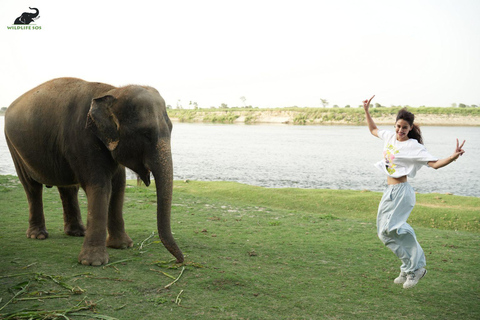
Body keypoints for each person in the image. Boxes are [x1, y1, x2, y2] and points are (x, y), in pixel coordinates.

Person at [363, 95, 466, 289]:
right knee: (383, 233)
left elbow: (434, 164)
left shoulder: (413, 146)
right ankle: (408, 266)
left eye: (404, 127)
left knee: (396, 228)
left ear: (410, 128)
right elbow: (373, 130)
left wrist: (453, 156)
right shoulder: (390, 137)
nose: (400, 130)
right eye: (398, 126)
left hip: (402, 192)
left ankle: (416, 268)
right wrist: (367, 111)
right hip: (390, 190)